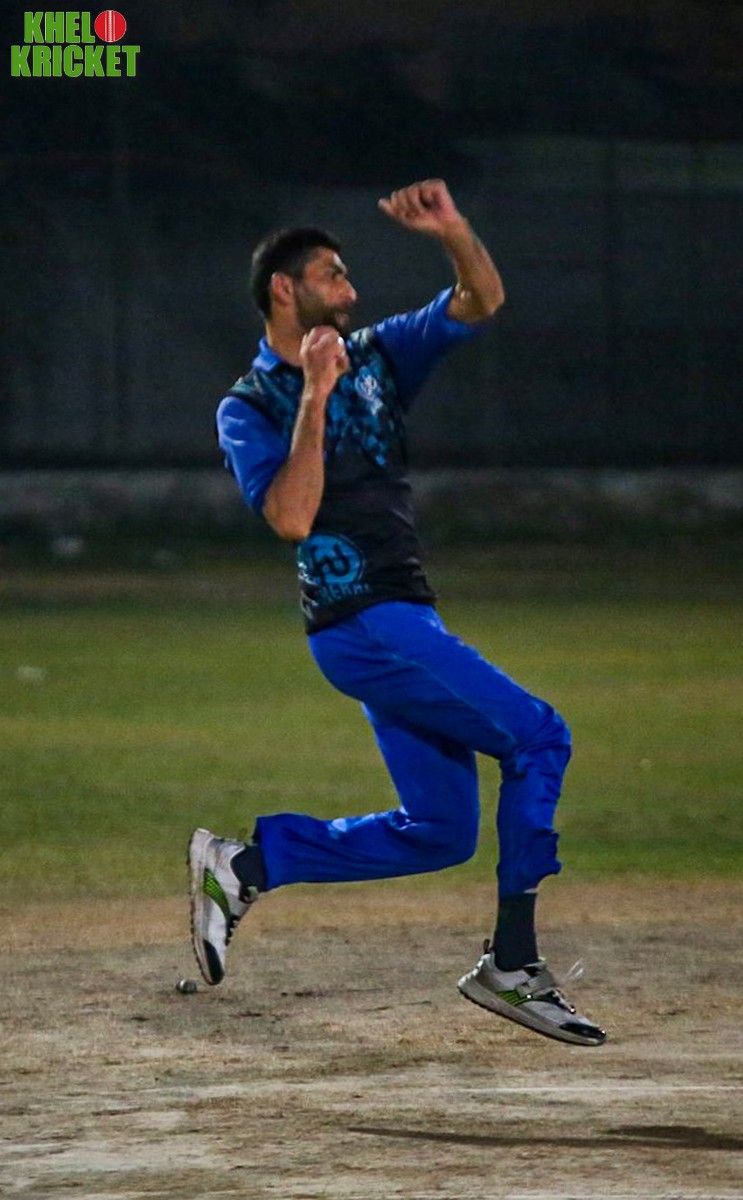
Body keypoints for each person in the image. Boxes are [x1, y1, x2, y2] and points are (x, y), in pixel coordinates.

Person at [188, 179, 605, 1047]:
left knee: (441, 832)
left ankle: (249, 864)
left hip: (402, 619)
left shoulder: (376, 355)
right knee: (538, 736)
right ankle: (514, 964)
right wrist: (313, 395)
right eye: (332, 276)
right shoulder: (249, 405)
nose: (350, 290)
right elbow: (291, 518)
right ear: (284, 290)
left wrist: (452, 229)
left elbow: (480, 299)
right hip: (362, 621)